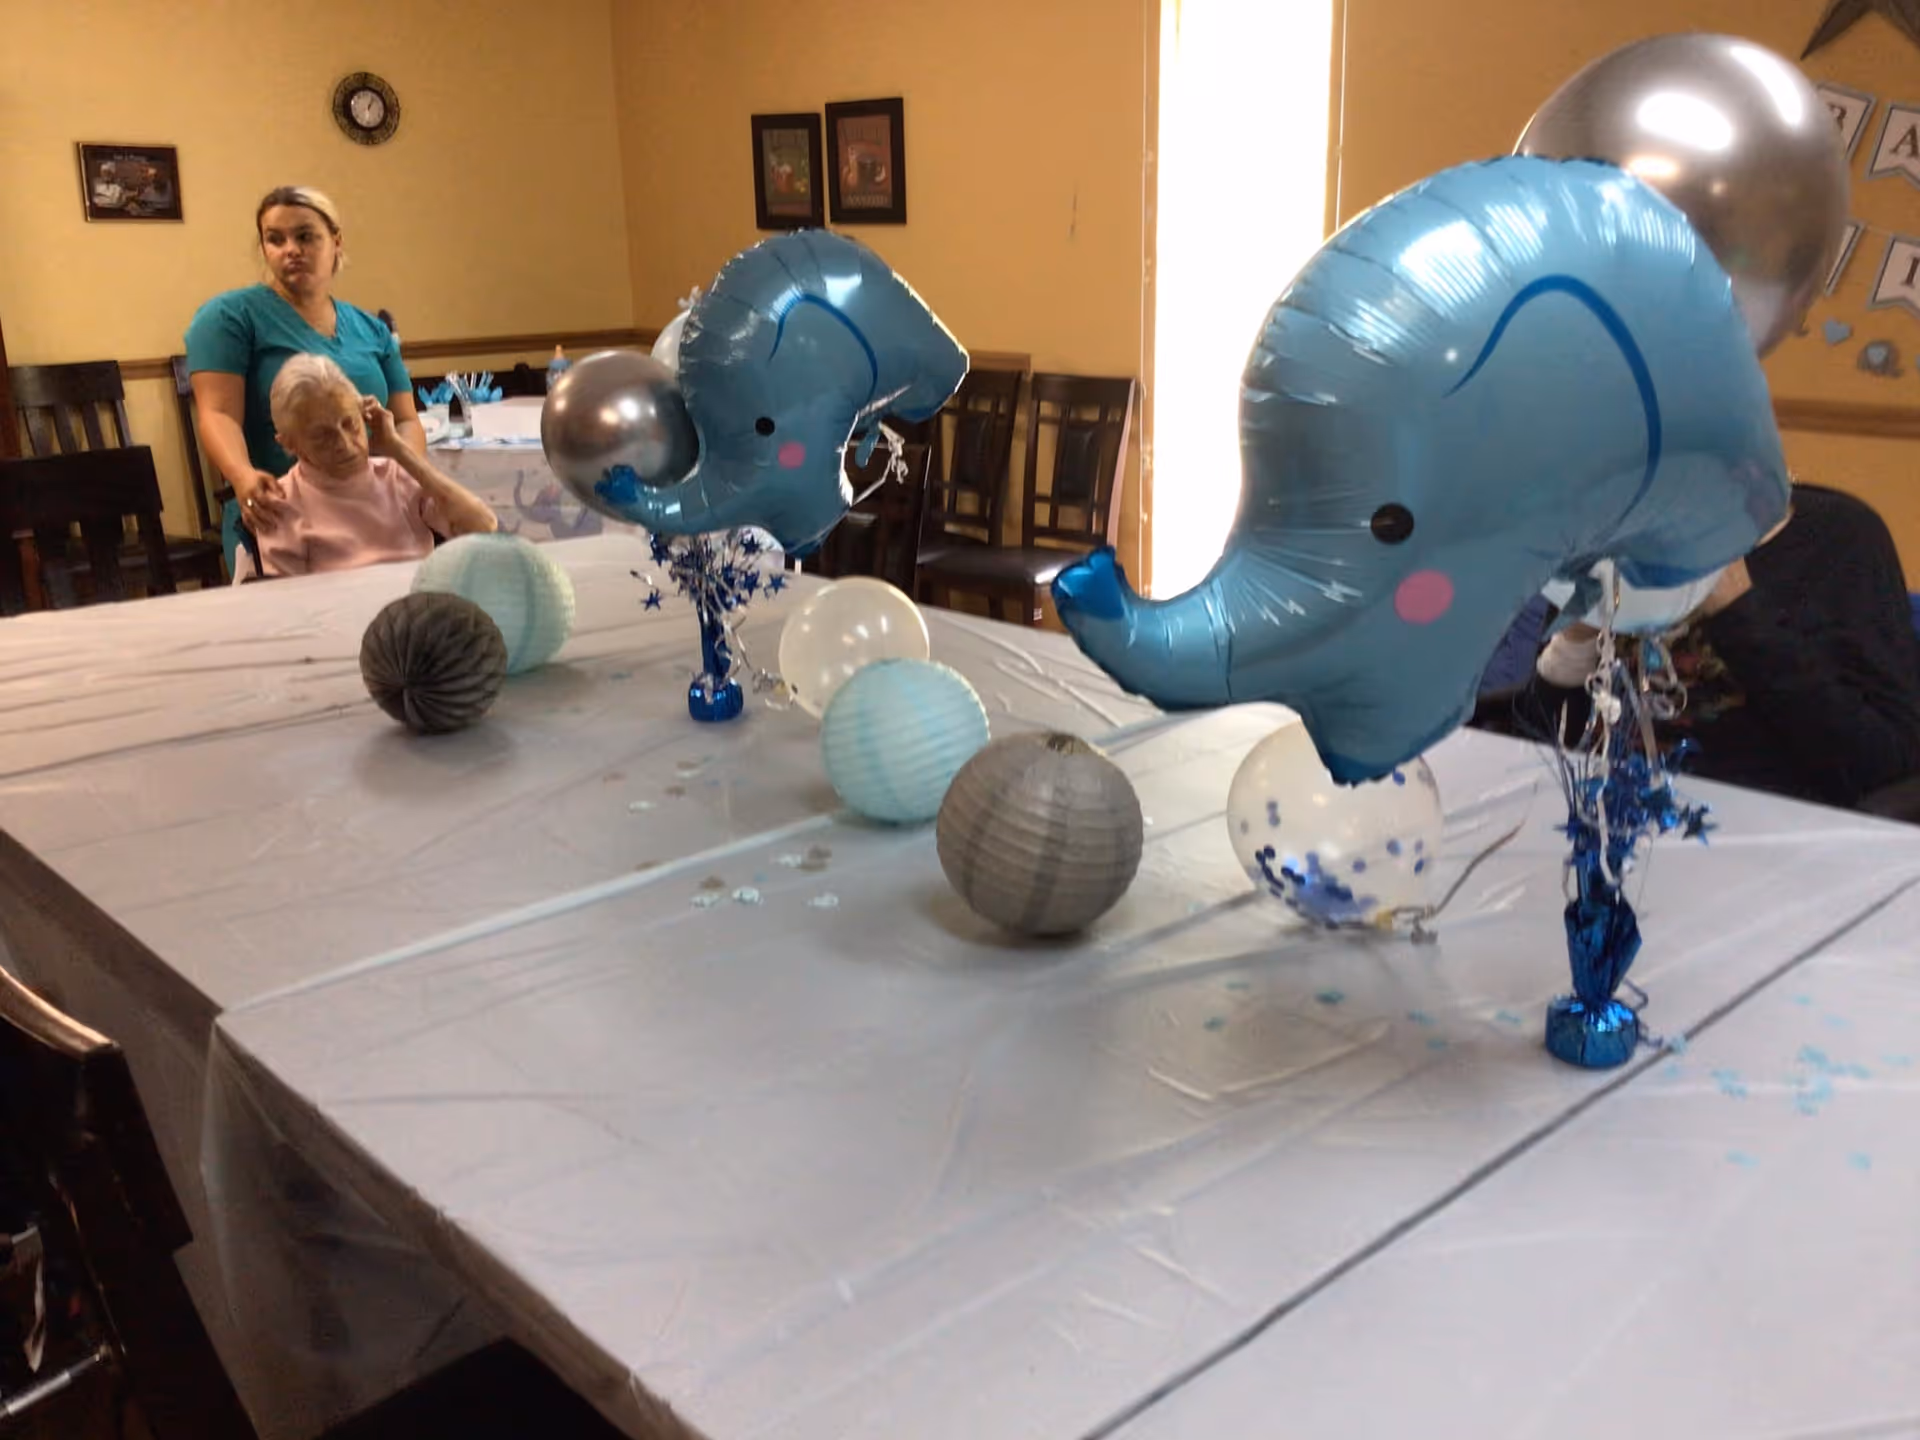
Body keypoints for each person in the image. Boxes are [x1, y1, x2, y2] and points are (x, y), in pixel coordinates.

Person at [1488, 485, 1920, 811]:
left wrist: (1737, 610)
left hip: (1770, 848)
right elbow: (1539, 751)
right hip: (1608, 832)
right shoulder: (1604, 537)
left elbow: (1884, 769)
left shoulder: (1838, 539)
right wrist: (1576, 640)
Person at [184, 186, 425, 564]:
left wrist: (406, 480)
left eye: (305, 236)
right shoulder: (229, 317)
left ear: (336, 242)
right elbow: (217, 414)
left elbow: (406, 419)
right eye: (275, 239)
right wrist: (243, 477)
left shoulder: (371, 329)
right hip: (281, 513)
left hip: (375, 514)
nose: (291, 249)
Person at [257, 355, 496, 578]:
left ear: (366, 415)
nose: (344, 444)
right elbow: (289, 602)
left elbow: (483, 527)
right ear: (290, 444)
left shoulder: (397, 476)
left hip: (418, 604)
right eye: (322, 436)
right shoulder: (282, 503)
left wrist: (399, 450)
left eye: (350, 424)